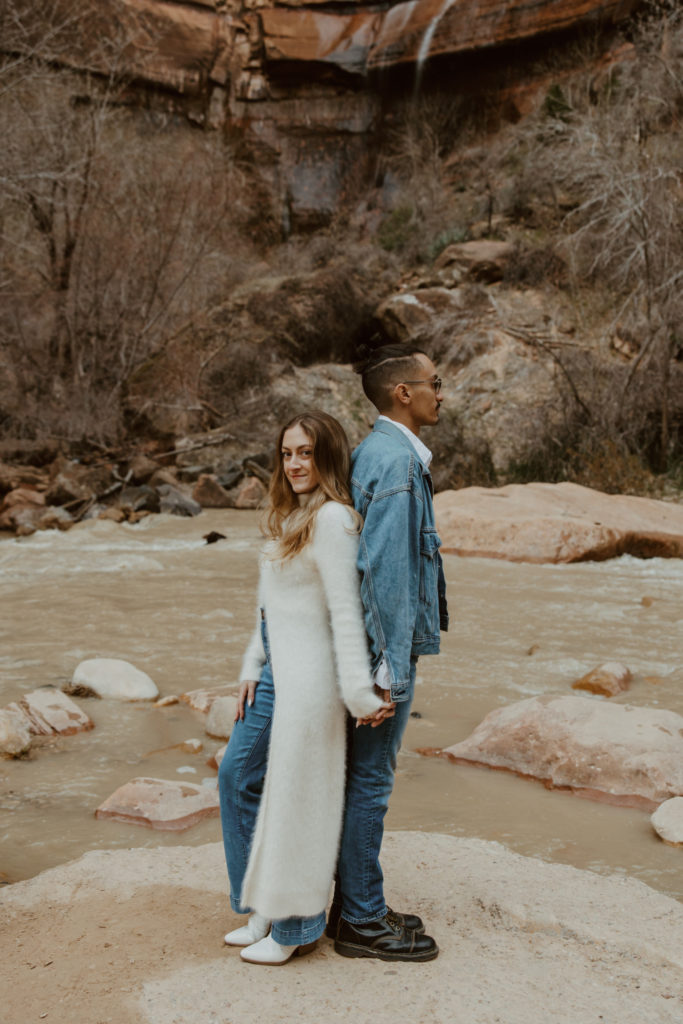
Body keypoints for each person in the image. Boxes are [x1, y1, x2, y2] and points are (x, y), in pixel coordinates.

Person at [218, 410, 390, 966]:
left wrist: (360, 695)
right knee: (237, 776)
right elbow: (271, 609)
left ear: (327, 457)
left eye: (306, 453)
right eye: (288, 453)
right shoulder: (290, 516)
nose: (294, 463)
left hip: (311, 683)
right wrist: (251, 663)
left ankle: (298, 928)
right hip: (274, 677)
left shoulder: (336, 519)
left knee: (296, 797)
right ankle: (264, 905)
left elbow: (346, 614)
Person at [328, 343, 448, 962]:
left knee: (359, 778)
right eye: (433, 381)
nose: (440, 390)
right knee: (371, 781)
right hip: (382, 653)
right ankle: (360, 921)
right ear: (403, 392)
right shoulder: (396, 464)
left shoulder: (379, 454)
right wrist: (386, 672)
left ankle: (355, 903)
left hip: (372, 649)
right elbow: (384, 573)